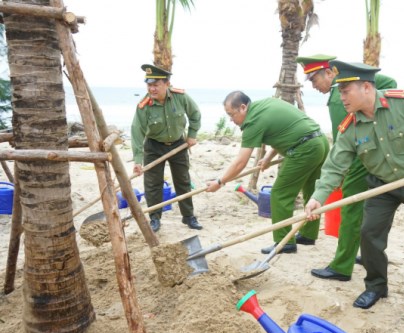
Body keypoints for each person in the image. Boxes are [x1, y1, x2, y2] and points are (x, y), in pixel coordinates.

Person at [304, 60, 404, 319]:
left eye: (346, 91)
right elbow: (335, 166)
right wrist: (317, 198)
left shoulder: (403, 102)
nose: (341, 96)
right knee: (370, 235)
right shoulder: (350, 127)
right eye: (340, 91)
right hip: (381, 186)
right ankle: (376, 287)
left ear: (367, 87)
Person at [295, 54, 397, 282]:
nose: (313, 86)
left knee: (351, 210)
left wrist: (342, 172)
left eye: (314, 80)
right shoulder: (347, 91)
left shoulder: (336, 99)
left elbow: (344, 142)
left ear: (330, 74)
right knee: (368, 209)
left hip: (361, 159)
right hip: (376, 155)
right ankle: (365, 253)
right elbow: (389, 83)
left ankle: (341, 267)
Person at [206, 91, 329, 254]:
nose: (231, 120)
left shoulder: (252, 122)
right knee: (311, 190)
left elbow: (240, 162)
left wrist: (220, 182)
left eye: (231, 114)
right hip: (320, 142)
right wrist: (268, 157)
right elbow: (282, 131)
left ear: (243, 108)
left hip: (304, 150)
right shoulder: (263, 105)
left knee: (280, 194)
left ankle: (284, 242)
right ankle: (308, 235)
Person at [131, 64, 203, 232]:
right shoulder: (144, 105)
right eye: (149, 85)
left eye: (156, 85)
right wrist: (137, 160)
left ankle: (188, 216)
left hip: (178, 144)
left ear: (167, 84)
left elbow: (195, 114)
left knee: (183, 181)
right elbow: (137, 132)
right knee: (152, 184)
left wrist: (192, 135)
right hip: (154, 146)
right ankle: (155, 218)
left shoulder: (181, 97)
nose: (152, 89)